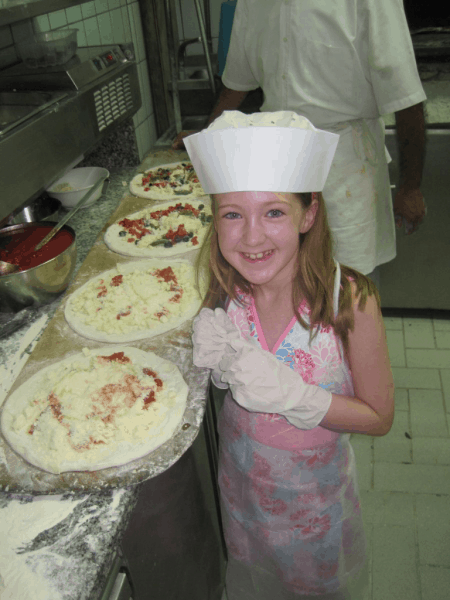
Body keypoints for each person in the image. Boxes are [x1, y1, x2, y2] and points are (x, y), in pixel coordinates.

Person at [184, 111, 395, 600]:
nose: (252, 237)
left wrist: (301, 398)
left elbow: (380, 417)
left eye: (274, 212)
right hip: (243, 494)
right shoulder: (228, 287)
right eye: (232, 214)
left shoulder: (350, 302)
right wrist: (214, 346)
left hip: (312, 512)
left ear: (309, 214)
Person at [173, 0, 427, 282]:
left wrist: (410, 186)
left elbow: (407, 96)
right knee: (283, 277)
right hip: (276, 166)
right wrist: (206, 134)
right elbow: (236, 81)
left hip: (345, 168)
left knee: (349, 282)